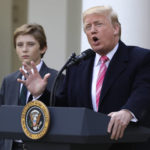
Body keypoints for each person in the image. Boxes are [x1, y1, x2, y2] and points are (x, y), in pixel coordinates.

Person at [18, 6, 150, 150]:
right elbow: (62, 106)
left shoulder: (140, 58)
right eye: (88, 27)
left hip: (126, 144)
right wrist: (40, 94)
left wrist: (128, 111)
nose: (92, 30)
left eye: (98, 24)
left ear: (116, 29)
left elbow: (144, 90)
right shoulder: (77, 66)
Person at [0, 23, 60, 150]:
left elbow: (60, 115)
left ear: (43, 48)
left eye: (30, 44)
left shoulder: (56, 78)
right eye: (19, 45)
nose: (24, 49)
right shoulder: (8, 81)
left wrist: (40, 94)